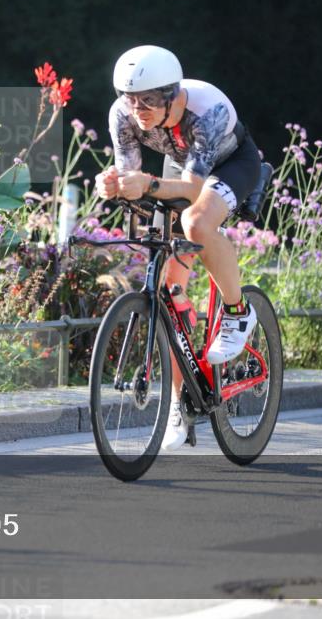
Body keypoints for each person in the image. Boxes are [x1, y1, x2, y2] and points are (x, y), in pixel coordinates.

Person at [94, 45, 262, 450]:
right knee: (168, 286)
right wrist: (114, 184)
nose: (138, 109)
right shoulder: (123, 114)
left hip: (229, 163)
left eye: (149, 99)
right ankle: (177, 404)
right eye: (130, 98)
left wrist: (147, 184)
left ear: (173, 94)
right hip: (179, 166)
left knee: (195, 221)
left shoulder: (207, 109)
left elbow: (192, 189)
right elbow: (134, 176)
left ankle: (239, 312)